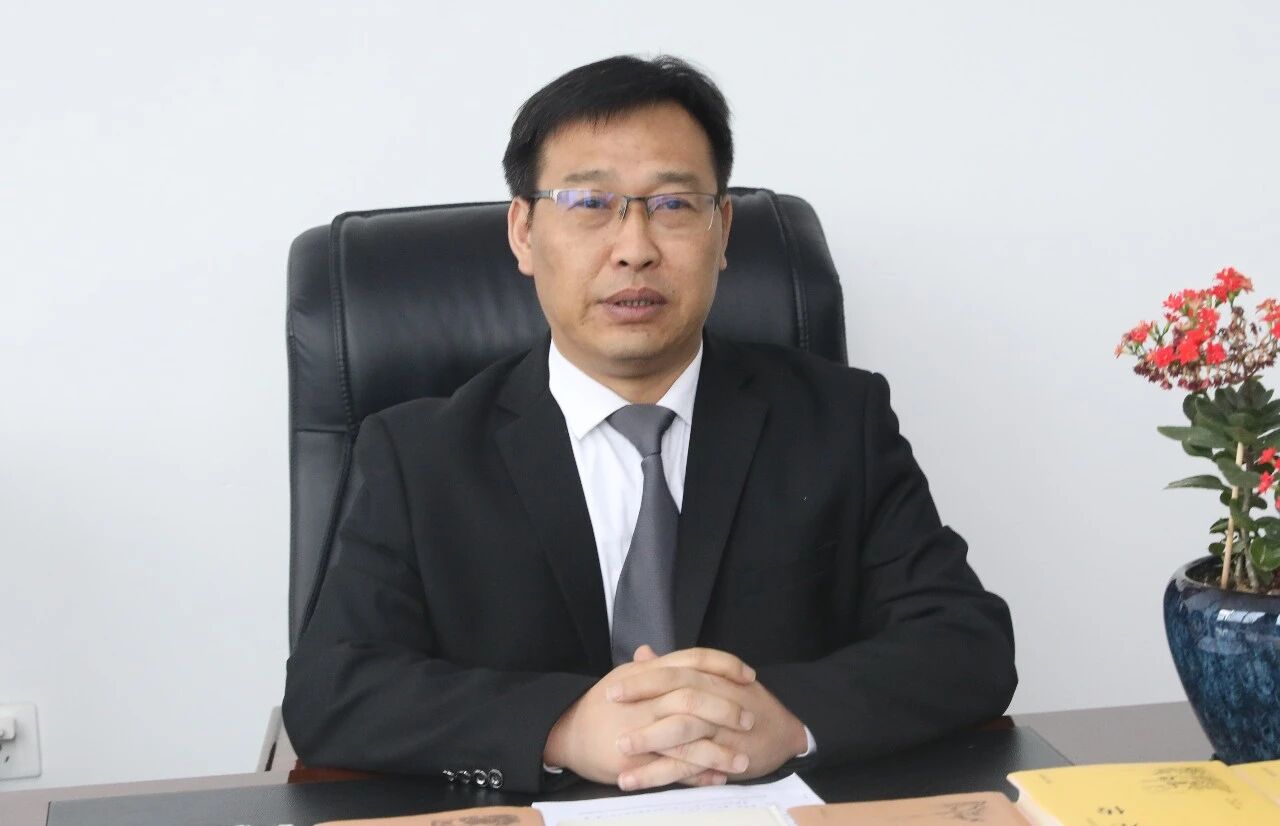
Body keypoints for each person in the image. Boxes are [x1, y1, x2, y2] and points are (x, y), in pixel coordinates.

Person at [282, 54, 1016, 795]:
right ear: (524, 233)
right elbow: (331, 691)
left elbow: (967, 643)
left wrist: (787, 717)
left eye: (673, 205)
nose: (635, 248)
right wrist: (561, 727)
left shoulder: (836, 422)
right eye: (589, 203)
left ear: (723, 231)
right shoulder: (420, 456)